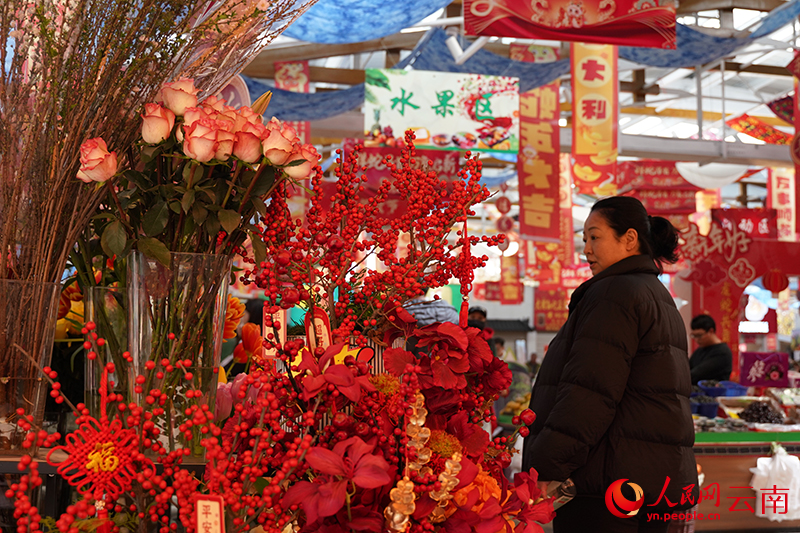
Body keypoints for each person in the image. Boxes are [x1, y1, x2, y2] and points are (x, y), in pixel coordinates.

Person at [522, 196, 697, 533]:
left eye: (595, 236)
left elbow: (590, 393)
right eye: (584, 238)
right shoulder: (655, 293)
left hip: (607, 486)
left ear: (629, 239)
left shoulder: (614, 293)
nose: (586, 249)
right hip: (646, 482)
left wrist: (547, 465)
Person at [688, 314, 732, 385]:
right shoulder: (700, 350)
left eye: (699, 335)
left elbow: (697, 374)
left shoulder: (722, 352)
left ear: (711, 331)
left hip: (714, 394)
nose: (696, 340)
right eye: (694, 336)